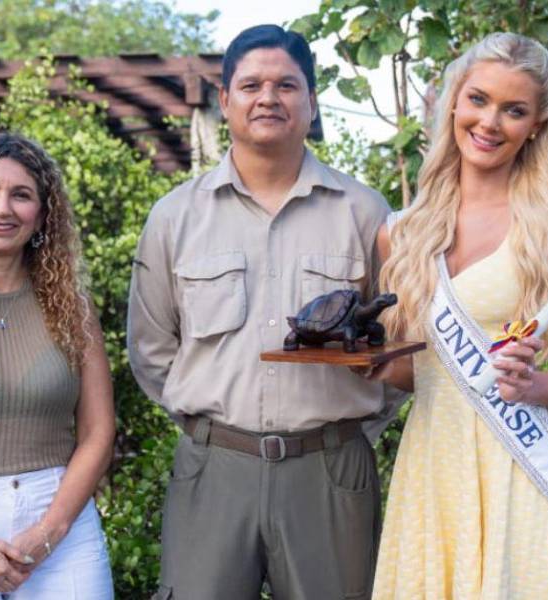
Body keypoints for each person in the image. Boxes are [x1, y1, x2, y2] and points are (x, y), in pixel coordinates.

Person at [127, 25, 399, 600]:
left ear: (312, 101)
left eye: (286, 85)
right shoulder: (175, 217)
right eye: (251, 85)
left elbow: (397, 345)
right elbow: (152, 351)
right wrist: (212, 430)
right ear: (225, 100)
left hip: (330, 471)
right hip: (214, 470)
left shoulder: (365, 212)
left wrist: (347, 436)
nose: (268, 98)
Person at [369, 33, 548, 600]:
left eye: (514, 110)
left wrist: (534, 385)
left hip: (517, 469)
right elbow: (418, 371)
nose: (489, 122)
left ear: (536, 126)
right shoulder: (402, 232)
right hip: (434, 468)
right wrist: (373, 365)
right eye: (478, 100)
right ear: (453, 103)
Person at [0, 133, 115, 598]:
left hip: (59, 523)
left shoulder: (72, 306)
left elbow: (98, 432)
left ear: (42, 213)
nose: (3, 209)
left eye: (21, 195)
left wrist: (48, 533)